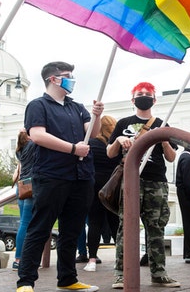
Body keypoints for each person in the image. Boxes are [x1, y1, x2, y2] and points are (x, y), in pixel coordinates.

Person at [16, 61, 103, 292]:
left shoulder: (77, 106)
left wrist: (98, 116)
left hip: (81, 176)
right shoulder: (38, 105)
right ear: (53, 79)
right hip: (51, 175)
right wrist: (73, 149)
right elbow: (37, 135)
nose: (71, 79)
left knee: (72, 230)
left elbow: (92, 133)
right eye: (67, 75)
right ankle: (25, 281)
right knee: (40, 227)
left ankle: (67, 278)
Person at [107, 82, 180, 289]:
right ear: (132, 100)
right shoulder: (123, 123)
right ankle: (121, 273)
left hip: (156, 182)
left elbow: (172, 157)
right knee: (125, 227)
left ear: (154, 100)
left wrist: (163, 139)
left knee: (156, 227)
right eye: (140, 94)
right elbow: (110, 153)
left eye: (148, 94)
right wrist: (119, 140)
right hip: (130, 181)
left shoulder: (162, 123)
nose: (144, 96)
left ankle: (159, 273)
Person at [84, 115, 122, 272]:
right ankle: (121, 259)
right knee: (115, 223)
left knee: (94, 223)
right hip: (113, 188)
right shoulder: (117, 145)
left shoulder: (91, 144)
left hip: (95, 188)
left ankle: (92, 259)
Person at [12, 130, 36, 270]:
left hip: (21, 188)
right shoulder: (32, 146)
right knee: (28, 224)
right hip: (31, 187)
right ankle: (20, 260)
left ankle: (18, 259)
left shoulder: (19, 150)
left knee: (23, 224)